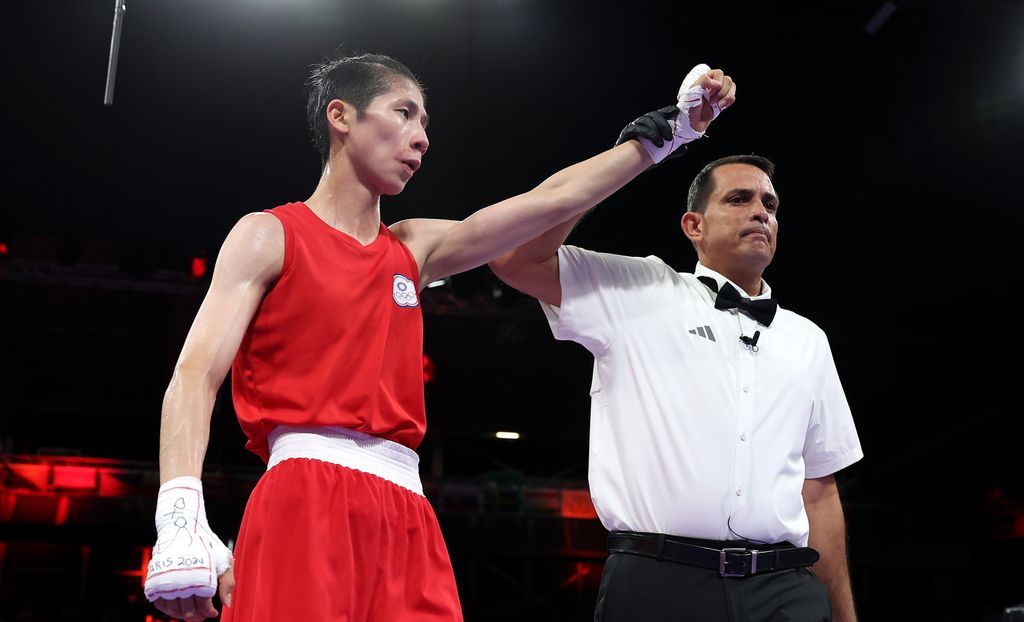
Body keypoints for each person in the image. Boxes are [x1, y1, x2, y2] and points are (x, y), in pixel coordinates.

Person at [141, 51, 737, 621]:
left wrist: (667, 134)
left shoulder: (414, 248)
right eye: (404, 113)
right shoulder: (269, 235)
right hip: (305, 491)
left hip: (408, 508)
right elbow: (195, 374)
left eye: (426, 122)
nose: (422, 137)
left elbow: (549, 202)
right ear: (341, 115)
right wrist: (180, 511)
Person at [489, 153, 864, 621]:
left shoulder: (808, 339)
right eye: (739, 199)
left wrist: (845, 616)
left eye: (770, 204)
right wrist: (637, 153)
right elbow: (514, 255)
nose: (760, 212)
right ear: (693, 226)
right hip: (659, 580)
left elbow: (820, 491)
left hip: (785, 589)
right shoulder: (643, 291)